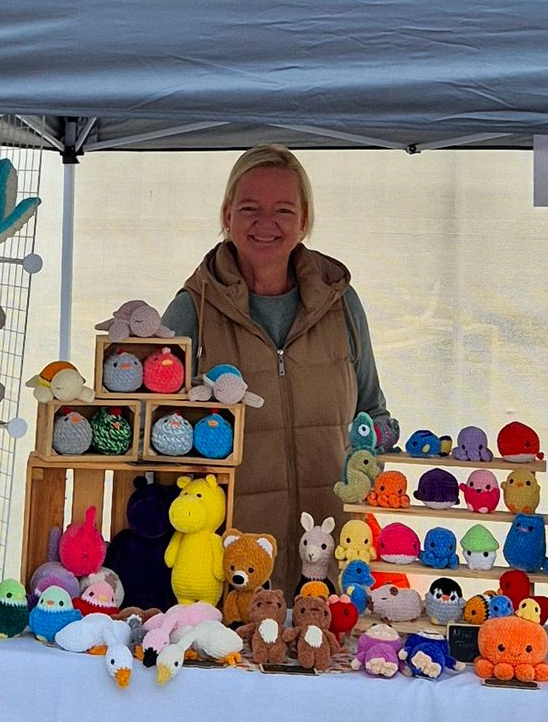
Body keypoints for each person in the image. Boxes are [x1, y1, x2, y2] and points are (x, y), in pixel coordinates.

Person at [160, 147, 386, 593]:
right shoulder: (193, 310)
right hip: (229, 571)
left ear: (304, 219)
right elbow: (159, 438)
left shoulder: (341, 304)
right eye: (249, 209)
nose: (267, 223)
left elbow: (372, 413)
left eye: (283, 210)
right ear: (227, 214)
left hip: (332, 561)